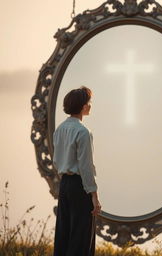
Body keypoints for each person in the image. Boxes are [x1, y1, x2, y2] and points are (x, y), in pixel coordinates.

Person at [53, 86, 101, 256]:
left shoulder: (59, 130)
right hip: (80, 187)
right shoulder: (83, 132)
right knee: (81, 238)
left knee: (63, 235)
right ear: (83, 106)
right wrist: (94, 196)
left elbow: (57, 162)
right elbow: (86, 167)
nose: (90, 105)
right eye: (89, 102)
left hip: (64, 184)